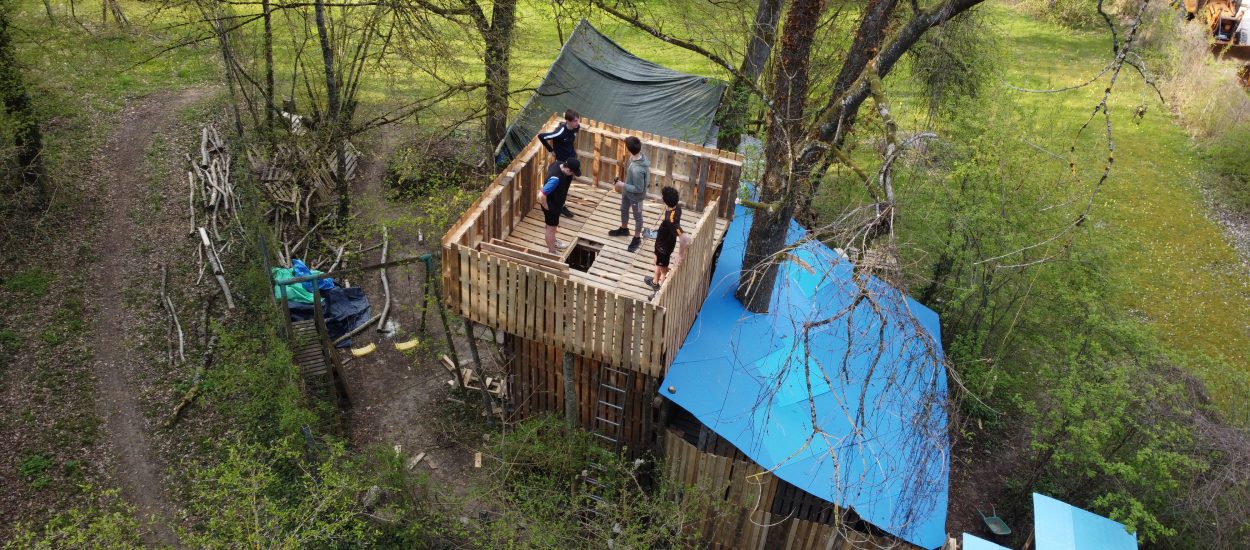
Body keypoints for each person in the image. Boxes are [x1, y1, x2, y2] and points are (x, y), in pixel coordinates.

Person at [537, 109, 581, 219]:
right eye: (575, 121)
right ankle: (557, 206)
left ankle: (562, 205)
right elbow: (542, 136)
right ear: (568, 121)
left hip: (571, 161)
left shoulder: (575, 129)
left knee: (566, 186)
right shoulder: (561, 132)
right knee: (561, 187)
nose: (578, 123)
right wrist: (551, 150)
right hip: (562, 164)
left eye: (578, 120)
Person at [609, 136, 648, 252]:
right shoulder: (636, 156)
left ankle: (637, 238)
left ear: (629, 149)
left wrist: (622, 185)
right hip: (627, 191)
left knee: (638, 217)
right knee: (623, 209)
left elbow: (639, 189)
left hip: (636, 196)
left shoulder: (638, 169)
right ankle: (624, 229)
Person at [538, 157, 580, 255]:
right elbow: (541, 195)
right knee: (550, 228)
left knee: (553, 226)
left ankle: (554, 241)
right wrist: (547, 208)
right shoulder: (556, 179)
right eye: (572, 173)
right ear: (568, 169)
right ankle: (552, 251)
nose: (572, 175)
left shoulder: (558, 163)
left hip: (556, 205)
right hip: (551, 206)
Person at [645, 186, 682, 290]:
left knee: (664, 270)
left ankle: (659, 290)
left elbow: (682, 236)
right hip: (662, 242)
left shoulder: (671, 220)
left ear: (665, 201)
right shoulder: (677, 207)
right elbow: (671, 226)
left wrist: (680, 254)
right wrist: (660, 228)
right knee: (657, 261)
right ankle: (654, 282)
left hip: (664, 248)